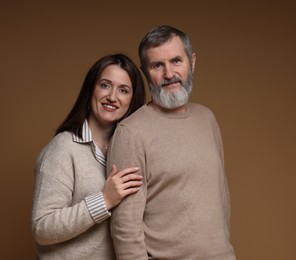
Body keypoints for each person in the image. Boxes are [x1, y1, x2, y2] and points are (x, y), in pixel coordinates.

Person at [107, 25, 236, 259]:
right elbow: (125, 227)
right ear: (145, 72)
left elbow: (221, 196)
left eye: (176, 61)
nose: (169, 74)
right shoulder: (131, 133)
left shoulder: (207, 118)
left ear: (192, 62)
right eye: (157, 65)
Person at [31, 53, 146, 259]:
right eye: (105, 85)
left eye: (123, 90)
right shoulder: (63, 148)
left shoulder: (128, 152)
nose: (112, 96)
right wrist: (104, 200)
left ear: (132, 99)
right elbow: (42, 228)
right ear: (90, 89)